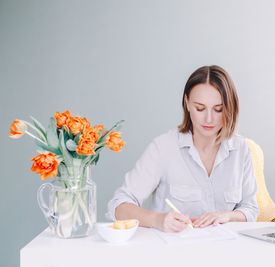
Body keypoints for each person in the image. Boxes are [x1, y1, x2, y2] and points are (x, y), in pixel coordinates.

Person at [107, 65, 259, 232]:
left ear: (230, 107)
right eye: (200, 108)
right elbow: (118, 206)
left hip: (224, 248)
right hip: (173, 251)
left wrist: (226, 216)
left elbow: (250, 209)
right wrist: (158, 220)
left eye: (218, 109)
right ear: (187, 103)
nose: (209, 118)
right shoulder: (163, 147)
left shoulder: (241, 148)